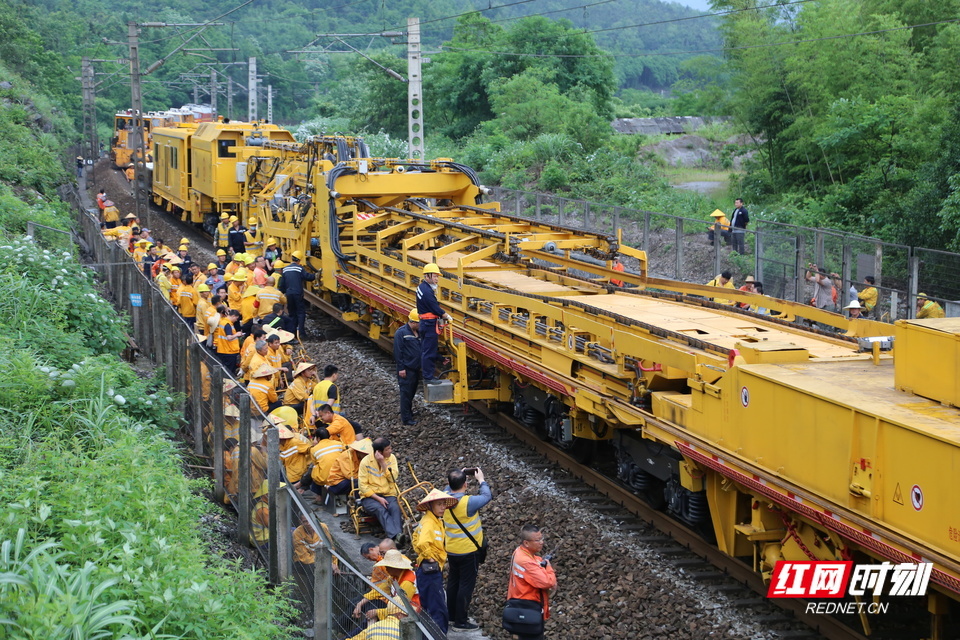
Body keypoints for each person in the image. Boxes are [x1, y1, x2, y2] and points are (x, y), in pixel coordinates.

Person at [444, 467, 492, 631]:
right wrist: (481, 480)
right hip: (468, 551)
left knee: (453, 582)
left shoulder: (443, 499)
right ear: (465, 484)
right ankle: (461, 622)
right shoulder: (468, 502)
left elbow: (447, 488)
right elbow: (487, 496)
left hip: (451, 550)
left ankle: (450, 616)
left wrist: (458, 475)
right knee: (466, 585)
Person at [413, 488, 458, 634]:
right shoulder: (430, 523)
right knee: (438, 609)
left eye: (444, 504)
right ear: (431, 505)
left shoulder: (431, 520)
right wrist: (430, 557)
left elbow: (415, 538)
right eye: (439, 504)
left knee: (428, 608)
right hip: (430, 570)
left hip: (426, 570)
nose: (443, 507)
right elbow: (421, 543)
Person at [506, 524, 557, 640]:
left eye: (542, 539)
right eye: (537, 540)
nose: (541, 542)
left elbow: (535, 560)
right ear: (526, 543)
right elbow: (548, 582)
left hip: (520, 603)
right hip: (528, 606)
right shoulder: (525, 561)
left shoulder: (519, 552)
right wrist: (548, 567)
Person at [359, 437, 403, 541]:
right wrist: (378, 499)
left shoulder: (391, 459)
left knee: (395, 508)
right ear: (379, 452)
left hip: (388, 494)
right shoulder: (366, 462)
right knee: (380, 509)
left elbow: (393, 478)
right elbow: (363, 486)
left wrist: (383, 463)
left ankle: (398, 536)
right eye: (387, 449)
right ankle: (396, 536)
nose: (390, 451)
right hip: (370, 497)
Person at [417, 263, 452, 385]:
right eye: (435, 276)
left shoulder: (422, 287)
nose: (437, 279)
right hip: (429, 324)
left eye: (438, 276)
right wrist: (446, 315)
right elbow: (434, 307)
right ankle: (428, 377)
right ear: (427, 276)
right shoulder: (427, 291)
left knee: (427, 350)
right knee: (429, 351)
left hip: (425, 323)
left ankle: (428, 375)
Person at [298, 426, 343, 501]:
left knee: (315, 469)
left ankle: (319, 495)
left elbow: (315, 463)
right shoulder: (339, 444)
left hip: (324, 479)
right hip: (340, 476)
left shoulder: (314, 449)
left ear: (318, 438)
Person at [393, 310, 422, 426]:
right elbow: (397, 351)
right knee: (406, 393)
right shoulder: (401, 333)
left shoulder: (417, 332)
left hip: (415, 369)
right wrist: (401, 368)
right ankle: (406, 418)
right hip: (406, 369)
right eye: (420, 323)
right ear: (414, 322)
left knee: (411, 392)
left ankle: (409, 413)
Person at [280, 250, 315, 336]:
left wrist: (284, 292)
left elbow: (282, 284)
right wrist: (316, 275)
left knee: (292, 312)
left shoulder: (285, 269)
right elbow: (308, 277)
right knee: (300, 312)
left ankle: (292, 332)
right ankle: (302, 333)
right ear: (299, 260)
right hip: (297, 293)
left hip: (289, 293)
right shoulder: (299, 268)